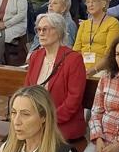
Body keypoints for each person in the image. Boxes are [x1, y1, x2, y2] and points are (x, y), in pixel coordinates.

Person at [25, 13, 87, 141]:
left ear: (58, 32)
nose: (41, 33)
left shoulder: (73, 59)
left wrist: (48, 119)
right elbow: (27, 91)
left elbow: (73, 100)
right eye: (38, 29)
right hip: (36, 122)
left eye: (45, 29)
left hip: (62, 124)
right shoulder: (35, 56)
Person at [73, 0, 119, 73]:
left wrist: (94, 70)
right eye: (88, 2)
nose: (90, 4)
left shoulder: (113, 23)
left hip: (102, 69)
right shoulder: (84, 24)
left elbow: (110, 54)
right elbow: (76, 50)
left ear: (104, 3)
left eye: (94, 1)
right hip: (82, 67)